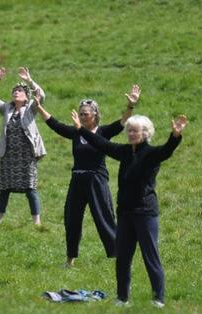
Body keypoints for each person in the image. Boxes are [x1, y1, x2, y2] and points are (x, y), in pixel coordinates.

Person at [70, 110, 188, 308]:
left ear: (146, 133)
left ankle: (158, 299)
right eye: (130, 130)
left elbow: (166, 151)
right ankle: (122, 298)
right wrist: (81, 129)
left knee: (151, 256)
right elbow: (102, 144)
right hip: (125, 212)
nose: (132, 134)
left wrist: (175, 135)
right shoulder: (124, 151)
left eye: (136, 131)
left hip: (145, 213)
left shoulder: (151, 154)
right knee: (122, 257)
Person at [35, 86, 140, 267]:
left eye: (86, 114)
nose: (82, 117)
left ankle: (119, 256)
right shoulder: (76, 132)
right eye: (81, 114)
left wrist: (130, 106)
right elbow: (55, 125)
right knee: (71, 219)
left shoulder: (103, 132)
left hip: (96, 180)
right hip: (77, 180)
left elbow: (122, 123)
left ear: (95, 115)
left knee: (104, 217)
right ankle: (70, 260)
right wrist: (38, 106)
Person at [0, 67, 47, 225]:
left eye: (19, 91)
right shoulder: (6, 109)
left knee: (30, 188)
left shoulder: (31, 107)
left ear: (26, 96)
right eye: (14, 91)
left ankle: (37, 223)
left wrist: (29, 81)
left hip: (26, 156)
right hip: (8, 155)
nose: (16, 92)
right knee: (4, 189)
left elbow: (41, 95)